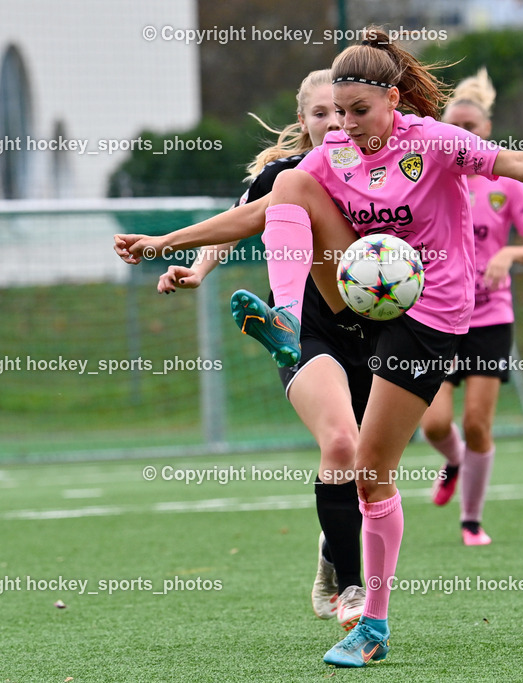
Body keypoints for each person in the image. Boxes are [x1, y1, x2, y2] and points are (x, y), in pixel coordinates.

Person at [116, 27, 523, 667]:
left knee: (370, 473)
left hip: (432, 318)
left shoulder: (437, 142)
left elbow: (520, 163)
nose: (345, 124)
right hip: (362, 300)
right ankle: (289, 320)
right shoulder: (334, 152)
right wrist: (162, 243)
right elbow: (258, 213)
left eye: (358, 111)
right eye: (337, 112)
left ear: (393, 99)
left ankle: (372, 620)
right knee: (289, 186)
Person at [153, 70, 369, 630]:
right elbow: (238, 222)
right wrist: (197, 269)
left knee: (369, 468)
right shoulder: (286, 176)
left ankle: (331, 549)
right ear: (303, 122)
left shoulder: (381, 171)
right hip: (302, 329)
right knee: (341, 444)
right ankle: (352, 587)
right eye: (319, 113)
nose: (332, 123)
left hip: (377, 328)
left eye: (341, 112)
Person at [418, 68, 523, 546]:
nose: (463, 135)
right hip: (436, 314)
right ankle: (453, 461)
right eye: (455, 127)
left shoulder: (507, 184)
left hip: (490, 318)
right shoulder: (429, 177)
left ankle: (471, 520)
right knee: (433, 422)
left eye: (471, 128)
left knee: (477, 423)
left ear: (486, 132)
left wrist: (510, 252)